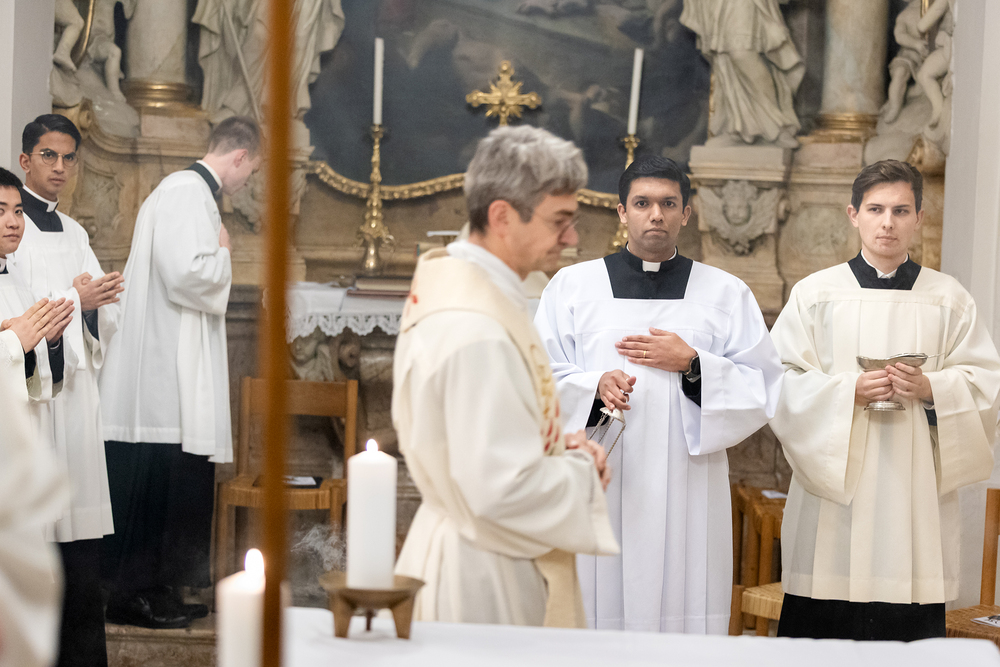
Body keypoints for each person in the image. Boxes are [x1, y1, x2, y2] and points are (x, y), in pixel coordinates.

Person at [534, 155, 783, 633]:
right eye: (642, 203)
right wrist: (592, 387)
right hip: (604, 472)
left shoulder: (725, 293)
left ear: (686, 213)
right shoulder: (572, 287)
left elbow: (762, 384)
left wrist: (693, 364)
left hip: (687, 479)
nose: (656, 215)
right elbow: (538, 376)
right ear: (622, 211)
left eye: (669, 204)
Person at [393, 125, 619, 627]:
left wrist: (550, 447)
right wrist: (581, 472)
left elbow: (482, 445)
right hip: (483, 575)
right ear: (501, 216)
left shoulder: (464, 291)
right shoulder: (478, 329)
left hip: (479, 549)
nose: (572, 238)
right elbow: (500, 490)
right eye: (559, 221)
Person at [770, 159, 1000, 641]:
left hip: (914, 494)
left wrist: (932, 388)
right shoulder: (816, 294)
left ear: (919, 217)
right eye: (876, 209)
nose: (888, 222)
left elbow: (987, 386)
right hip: (834, 502)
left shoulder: (948, 299)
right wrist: (846, 391)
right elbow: (777, 382)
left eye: (901, 210)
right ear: (853, 215)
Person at [99, 116, 261, 629]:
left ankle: (160, 590)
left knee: (171, 480)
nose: (248, 181)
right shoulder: (187, 192)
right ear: (239, 156)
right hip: (162, 370)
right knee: (157, 480)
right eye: (252, 171)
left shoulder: (188, 192)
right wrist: (225, 254)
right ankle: (134, 595)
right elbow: (186, 273)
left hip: (170, 362)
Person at [11, 116, 120, 667]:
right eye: (48, 156)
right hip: (33, 402)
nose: (59, 167)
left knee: (79, 553)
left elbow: (99, 313)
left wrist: (93, 307)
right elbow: (25, 316)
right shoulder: (12, 234)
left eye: (69, 158)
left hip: (75, 403)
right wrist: (77, 300)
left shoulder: (76, 234)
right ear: (25, 160)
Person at [0, 166, 73, 667]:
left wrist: (47, 343)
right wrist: (15, 342)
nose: (13, 222)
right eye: (1, 212)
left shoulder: (15, 279)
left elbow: (35, 382)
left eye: (17, 211)